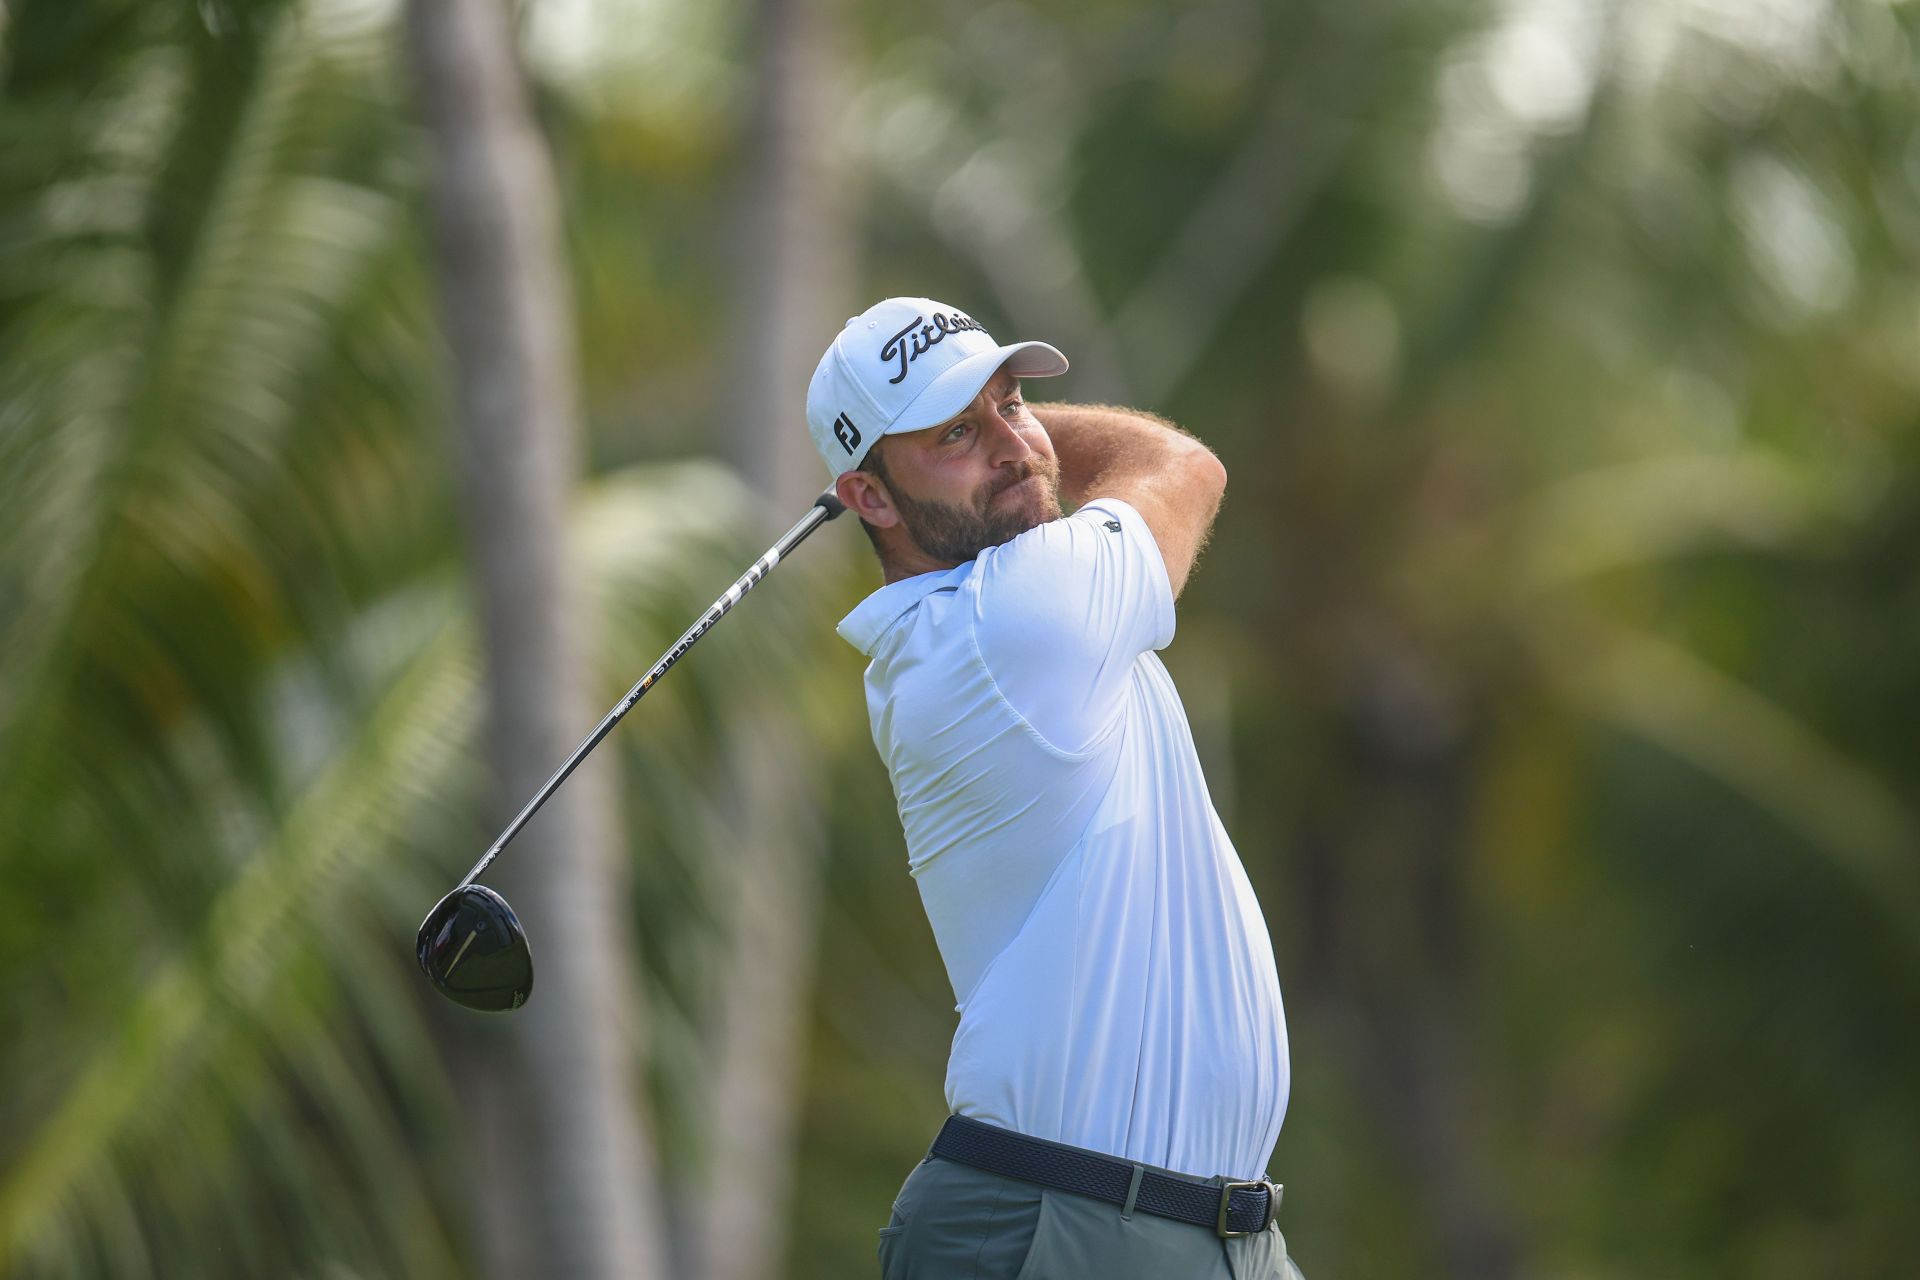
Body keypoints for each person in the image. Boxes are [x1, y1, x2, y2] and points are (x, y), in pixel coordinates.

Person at [809, 297, 1301, 1279]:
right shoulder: (1016, 624)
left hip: (1207, 1232)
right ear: (866, 498)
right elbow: (1185, 468)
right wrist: (1020, 438)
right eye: (956, 431)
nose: (1014, 444)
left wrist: (975, 438)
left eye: (1014, 400)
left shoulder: (997, 609)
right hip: (1067, 1223)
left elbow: (1021, 459)